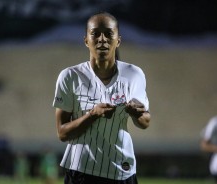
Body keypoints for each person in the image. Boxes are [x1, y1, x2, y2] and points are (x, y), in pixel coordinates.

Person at [52, 12, 151, 184]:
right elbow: (62, 133)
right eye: (95, 33)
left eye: (108, 33)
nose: (102, 39)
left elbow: (145, 122)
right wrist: (92, 115)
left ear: (118, 40)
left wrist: (137, 113)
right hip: (81, 171)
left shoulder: (134, 74)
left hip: (121, 171)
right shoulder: (69, 76)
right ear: (86, 40)